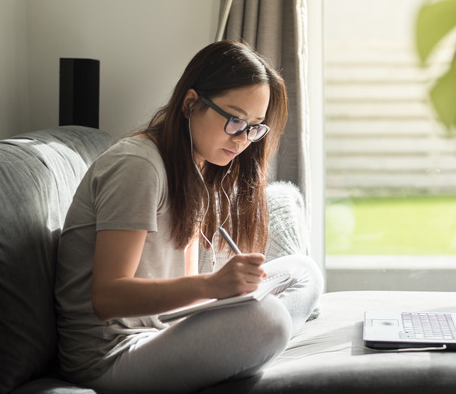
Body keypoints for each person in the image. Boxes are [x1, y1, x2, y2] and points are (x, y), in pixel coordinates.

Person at [54, 40, 323, 392]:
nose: (243, 139)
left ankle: (247, 349)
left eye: (255, 126)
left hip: (160, 330)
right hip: (111, 355)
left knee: (304, 272)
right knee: (269, 320)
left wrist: (228, 297)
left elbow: (188, 297)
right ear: (191, 103)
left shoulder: (195, 167)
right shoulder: (138, 166)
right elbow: (107, 298)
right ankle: (255, 347)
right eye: (234, 120)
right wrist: (214, 286)